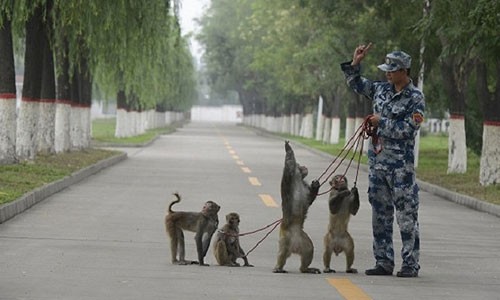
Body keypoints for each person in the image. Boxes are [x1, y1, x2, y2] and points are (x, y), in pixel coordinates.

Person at [340, 43, 425, 278]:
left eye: (392, 70)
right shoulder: (380, 89)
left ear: (404, 71)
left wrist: (381, 123)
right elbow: (356, 84)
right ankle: (384, 261)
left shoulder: (415, 98)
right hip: (378, 167)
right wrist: (355, 63)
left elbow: (409, 129)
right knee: (380, 216)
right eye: (386, 69)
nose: (387, 73)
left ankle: (410, 264)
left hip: (401, 169)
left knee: (406, 218)